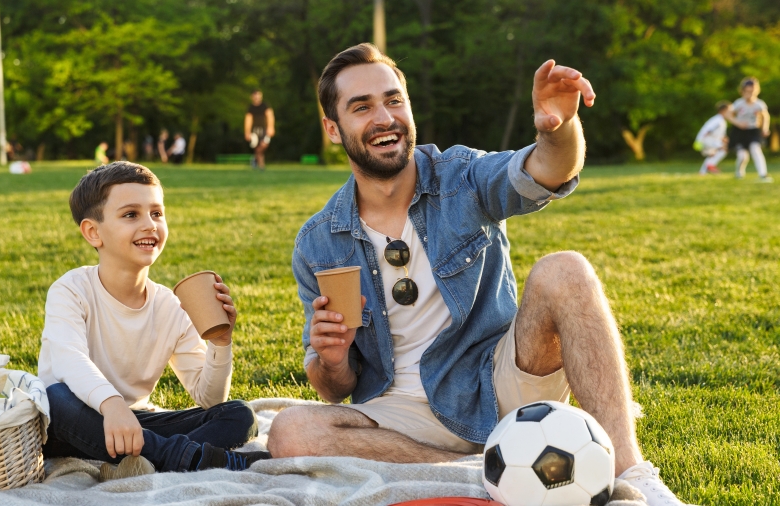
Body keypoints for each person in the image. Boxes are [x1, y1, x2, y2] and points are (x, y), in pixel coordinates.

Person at [267, 43, 694, 506]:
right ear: (333, 128)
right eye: (362, 107)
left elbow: (546, 170)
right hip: (400, 417)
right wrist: (331, 359)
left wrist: (560, 128)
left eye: (393, 100)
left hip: (497, 381)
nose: (384, 118)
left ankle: (634, 477)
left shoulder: (462, 177)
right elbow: (334, 389)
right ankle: (480, 473)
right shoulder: (317, 243)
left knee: (565, 269)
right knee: (291, 432)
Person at [38, 161, 269, 480]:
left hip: (131, 424)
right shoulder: (71, 290)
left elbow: (209, 398)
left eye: (157, 213)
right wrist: (111, 405)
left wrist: (220, 342)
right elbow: (68, 359)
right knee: (54, 398)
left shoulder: (171, 305)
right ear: (93, 232)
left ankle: (159, 457)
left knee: (238, 414)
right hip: (76, 421)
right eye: (131, 214)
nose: (149, 225)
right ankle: (187, 458)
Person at [725, 77, 772, 182]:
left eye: (752, 91)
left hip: (753, 131)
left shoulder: (759, 104)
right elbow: (728, 115)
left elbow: (765, 116)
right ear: (742, 91)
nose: (750, 94)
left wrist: (765, 128)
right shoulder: (739, 103)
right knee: (742, 155)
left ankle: (763, 174)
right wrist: (738, 123)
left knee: (755, 149)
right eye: (747, 91)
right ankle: (739, 173)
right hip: (739, 132)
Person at [693, 101, 730, 175]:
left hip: (710, 140)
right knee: (724, 149)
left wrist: (724, 140)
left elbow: (719, 135)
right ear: (723, 110)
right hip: (706, 140)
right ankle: (710, 165)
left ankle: (702, 172)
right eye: (730, 111)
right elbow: (708, 130)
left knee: (712, 154)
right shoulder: (717, 120)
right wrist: (700, 141)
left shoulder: (721, 121)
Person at [244, 89, 274, 170]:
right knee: (257, 148)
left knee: (264, 145)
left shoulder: (265, 105)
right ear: (252, 97)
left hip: (264, 129)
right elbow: (248, 120)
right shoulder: (251, 108)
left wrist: (271, 127)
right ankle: (262, 167)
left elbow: (270, 116)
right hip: (254, 131)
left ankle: (254, 159)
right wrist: (247, 132)